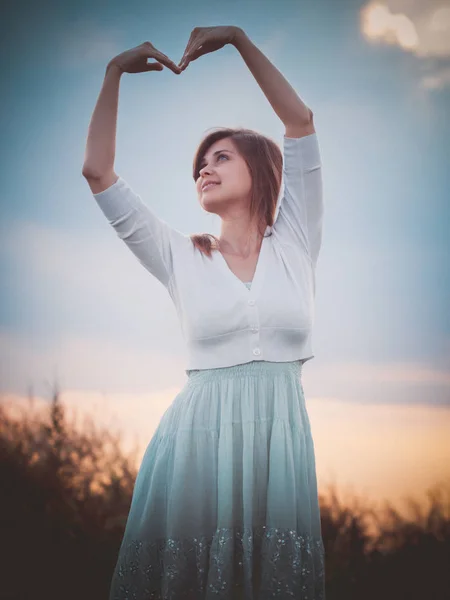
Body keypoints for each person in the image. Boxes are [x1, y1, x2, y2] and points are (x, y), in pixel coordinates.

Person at [83, 25, 325, 600]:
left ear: (262, 169)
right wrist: (113, 73)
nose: (204, 169)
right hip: (197, 444)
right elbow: (98, 173)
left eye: (221, 157)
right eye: (199, 165)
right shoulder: (177, 256)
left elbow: (301, 121)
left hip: (279, 442)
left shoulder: (296, 238)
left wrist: (239, 41)